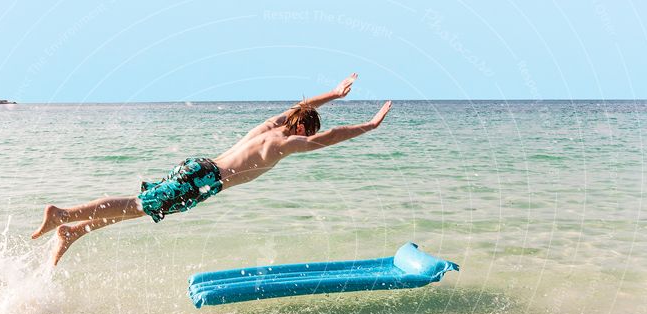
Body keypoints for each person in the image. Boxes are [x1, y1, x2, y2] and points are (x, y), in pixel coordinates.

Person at [31, 73, 392, 265]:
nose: (307, 138)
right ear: (302, 129)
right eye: (307, 132)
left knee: (145, 207)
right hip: (206, 179)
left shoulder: (271, 125)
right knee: (139, 205)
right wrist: (369, 126)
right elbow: (328, 137)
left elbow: (302, 104)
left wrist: (332, 92)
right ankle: (63, 214)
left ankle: (74, 231)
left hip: (200, 167)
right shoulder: (284, 142)